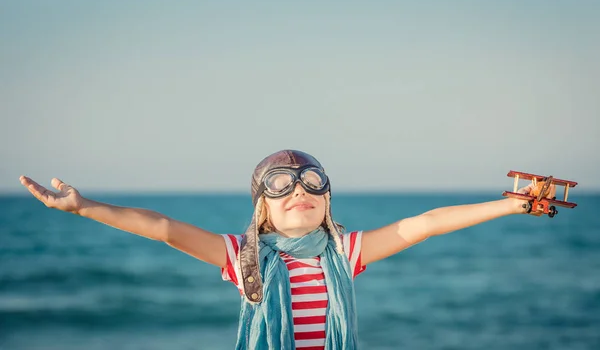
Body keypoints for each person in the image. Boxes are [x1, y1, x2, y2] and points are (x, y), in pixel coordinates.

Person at [19, 149, 546, 349]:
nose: (299, 193)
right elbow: (160, 227)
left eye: (312, 185)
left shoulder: (344, 254)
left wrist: (512, 205)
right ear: (261, 208)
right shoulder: (239, 257)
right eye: (282, 186)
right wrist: (84, 207)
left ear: (328, 201)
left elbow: (424, 224)